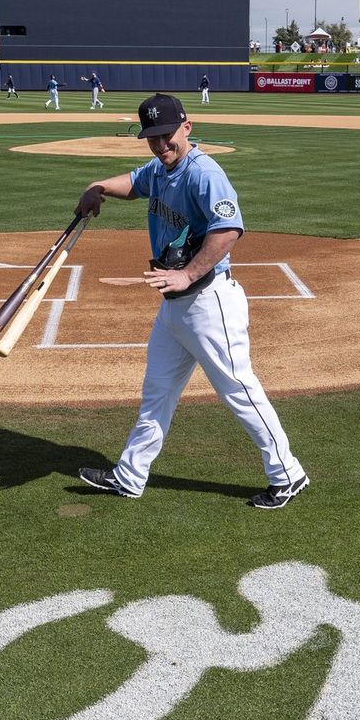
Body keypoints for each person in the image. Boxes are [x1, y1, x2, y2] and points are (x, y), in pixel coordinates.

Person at [73, 93, 308, 510]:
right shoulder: (161, 169)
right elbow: (133, 182)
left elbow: (229, 229)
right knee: (158, 391)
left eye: (166, 136)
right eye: (152, 138)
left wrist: (186, 273)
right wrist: (98, 187)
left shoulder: (204, 174)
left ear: (186, 127)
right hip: (175, 307)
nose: (160, 145)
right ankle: (130, 475)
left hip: (208, 302)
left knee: (239, 391)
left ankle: (287, 474)